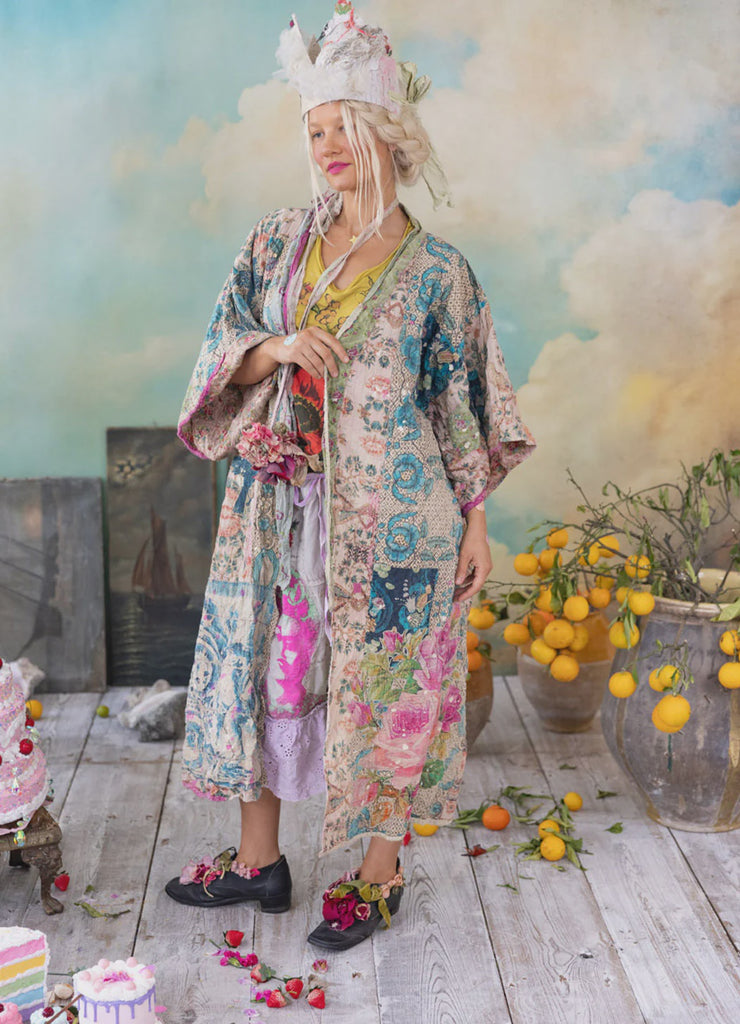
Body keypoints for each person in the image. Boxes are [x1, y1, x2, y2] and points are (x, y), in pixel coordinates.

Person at [165, 1, 535, 951]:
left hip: (398, 524)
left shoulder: (439, 272)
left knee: (392, 684)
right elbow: (223, 347)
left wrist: (478, 525)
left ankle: (379, 872)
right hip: (278, 511)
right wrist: (278, 346)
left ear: (384, 131)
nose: (326, 145)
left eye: (342, 126)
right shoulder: (277, 242)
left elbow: (462, 409)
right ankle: (260, 861)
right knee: (269, 670)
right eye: (314, 130)